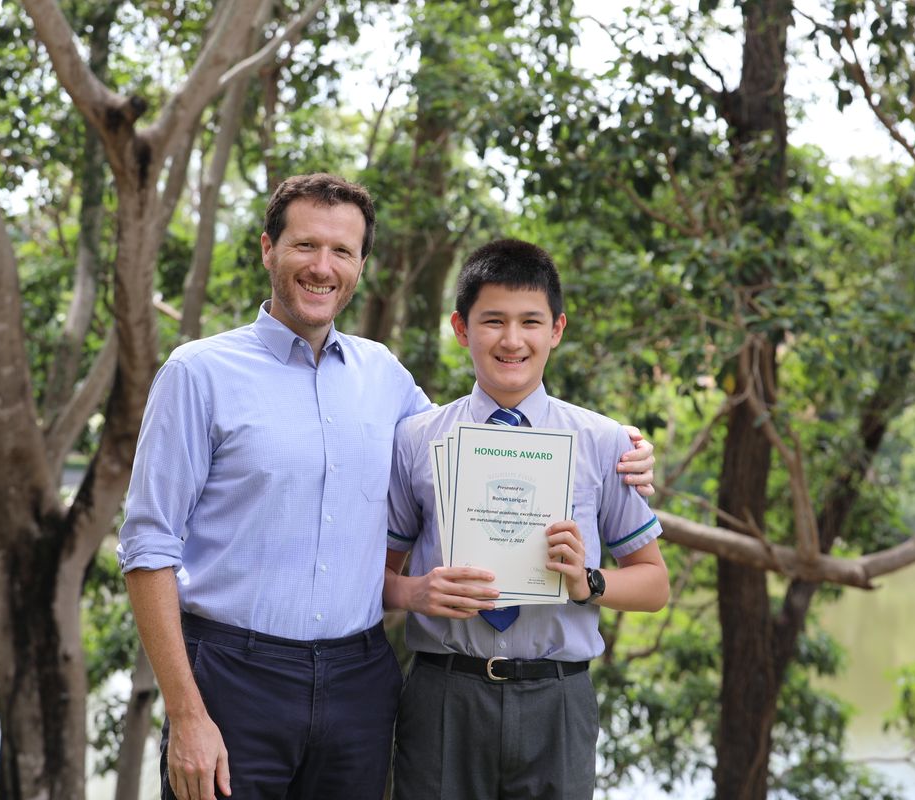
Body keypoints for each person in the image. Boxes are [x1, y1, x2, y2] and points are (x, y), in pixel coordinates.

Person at [117, 174, 656, 800]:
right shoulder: (198, 373)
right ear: (268, 248)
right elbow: (148, 547)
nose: (323, 267)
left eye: (342, 251)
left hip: (358, 686)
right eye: (305, 245)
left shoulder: (384, 376)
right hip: (235, 678)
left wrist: (626, 449)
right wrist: (186, 712)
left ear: (360, 265)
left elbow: (477, 442)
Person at [383, 238, 670, 800]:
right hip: (444, 696)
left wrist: (588, 583)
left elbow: (655, 583)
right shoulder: (417, 440)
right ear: (461, 329)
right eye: (493, 321)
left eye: (530, 322)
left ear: (556, 329)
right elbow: (376, 576)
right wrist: (415, 592)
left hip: (557, 701)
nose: (512, 340)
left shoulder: (605, 442)